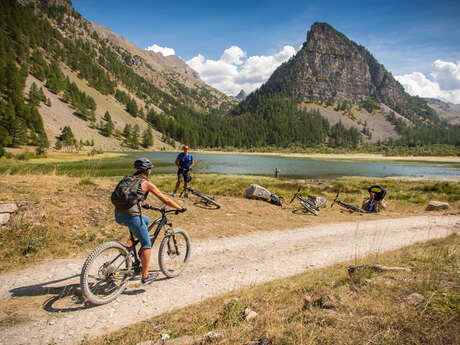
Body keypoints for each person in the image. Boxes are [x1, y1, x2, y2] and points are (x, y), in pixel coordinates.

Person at [114, 158, 185, 285]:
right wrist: (179, 208)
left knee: (146, 220)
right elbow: (165, 200)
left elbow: (130, 197)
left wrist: (142, 204)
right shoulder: (146, 184)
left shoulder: (127, 179)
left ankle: (130, 245)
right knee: (146, 244)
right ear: (148, 171)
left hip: (119, 215)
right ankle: (145, 277)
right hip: (132, 217)